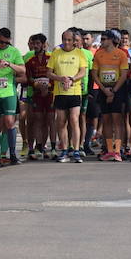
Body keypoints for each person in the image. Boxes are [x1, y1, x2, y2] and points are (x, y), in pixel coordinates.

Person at [0, 27, 27, 167]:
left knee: (9, 122)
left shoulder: (14, 51)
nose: (4, 45)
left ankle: (12, 154)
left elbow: (23, 70)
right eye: (2, 42)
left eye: (6, 43)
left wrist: (10, 64)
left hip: (8, 93)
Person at [49, 29, 90, 162]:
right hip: (60, 93)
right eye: (64, 40)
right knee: (61, 122)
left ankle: (76, 150)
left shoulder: (79, 53)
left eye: (69, 40)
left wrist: (72, 79)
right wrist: (61, 78)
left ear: (73, 41)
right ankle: (64, 150)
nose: (66, 43)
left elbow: (83, 72)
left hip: (75, 92)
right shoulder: (56, 53)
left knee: (74, 120)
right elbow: (49, 73)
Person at [91, 29, 130, 161]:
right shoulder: (98, 54)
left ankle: (118, 151)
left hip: (117, 90)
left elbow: (124, 74)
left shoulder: (121, 54)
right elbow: (94, 74)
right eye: (101, 39)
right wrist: (104, 90)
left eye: (104, 39)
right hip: (103, 90)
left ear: (111, 40)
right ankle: (109, 149)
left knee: (117, 120)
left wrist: (113, 91)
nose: (101, 42)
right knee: (106, 120)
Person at [24, 34, 54, 159]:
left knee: (50, 120)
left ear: (43, 44)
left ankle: (51, 147)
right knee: (38, 119)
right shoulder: (30, 61)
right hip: (36, 94)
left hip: (51, 93)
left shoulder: (51, 58)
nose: (35, 46)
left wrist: (48, 87)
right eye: (34, 43)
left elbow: (56, 74)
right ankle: (38, 147)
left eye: (38, 43)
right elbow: (28, 77)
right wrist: (36, 84)